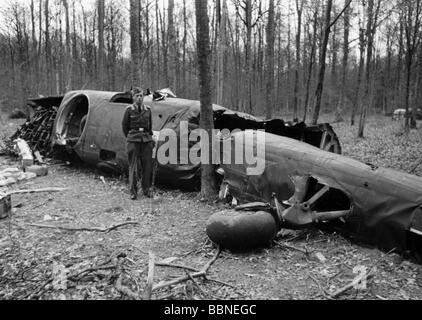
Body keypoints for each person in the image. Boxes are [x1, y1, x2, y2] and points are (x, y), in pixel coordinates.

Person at [122, 87, 154, 200]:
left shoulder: (148, 110)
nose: (139, 98)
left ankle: (146, 190)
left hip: (146, 141)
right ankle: (133, 192)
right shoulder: (129, 110)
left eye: (141, 96)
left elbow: (150, 127)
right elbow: (125, 127)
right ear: (133, 97)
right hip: (133, 141)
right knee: (133, 167)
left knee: (147, 166)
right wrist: (131, 137)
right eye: (137, 96)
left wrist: (149, 138)